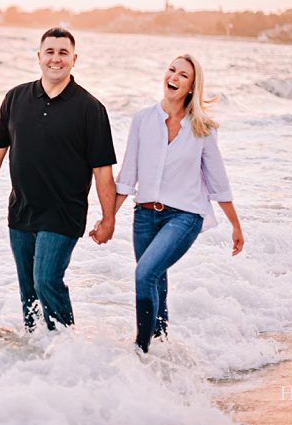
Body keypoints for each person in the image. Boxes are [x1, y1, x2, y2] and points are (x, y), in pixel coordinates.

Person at [90, 53, 244, 353]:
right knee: (155, 279)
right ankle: (162, 350)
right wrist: (108, 218)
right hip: (145, 216)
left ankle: (140, 350)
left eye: (183, 75)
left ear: (191, 86)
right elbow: (127, 176)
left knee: (144, 273)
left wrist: (235, 224)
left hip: (185, 216)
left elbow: (218, 181)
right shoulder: (143, 120)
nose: (173, 77)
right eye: (171, 70)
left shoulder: (203, 128)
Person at [0, 27, 118, 331]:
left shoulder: (90, 109)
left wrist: (108, 219)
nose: (56, 59)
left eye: (63, 53)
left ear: (74, 59)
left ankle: (66, 351)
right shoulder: (15, 98)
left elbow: (103, 170)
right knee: (29, 291)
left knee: (47, 280)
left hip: (64, 213)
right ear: (39, 57)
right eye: (50, 52)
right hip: (22, 210)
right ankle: (38, 356)